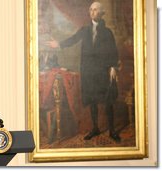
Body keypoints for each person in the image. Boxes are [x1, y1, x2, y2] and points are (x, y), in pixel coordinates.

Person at [46, 2, 121, 142]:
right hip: (89, 71)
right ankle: (95, 128)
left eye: (96, 10)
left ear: (101, 13)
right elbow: (73, 39)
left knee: (108, 101)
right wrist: (59, 44)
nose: (93, 12)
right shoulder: (85, 30)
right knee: (92, 100)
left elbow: (113, 51)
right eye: (91, 10)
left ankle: (112, 130)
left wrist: (113, 67)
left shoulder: (107, 32)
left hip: (103, 71)